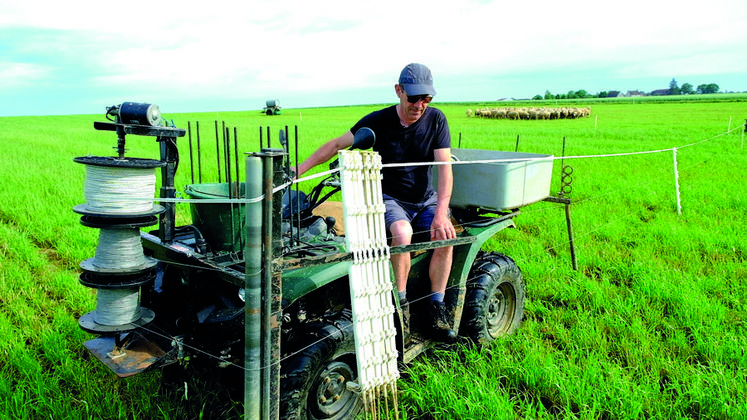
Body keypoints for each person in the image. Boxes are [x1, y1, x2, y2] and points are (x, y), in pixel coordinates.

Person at [297, 63, 456, 342]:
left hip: (425, 199)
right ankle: (401, 303)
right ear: (399, 91)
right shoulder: (379, 121)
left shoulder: (437, 120)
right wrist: (299, 170)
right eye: (413, 98)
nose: (419, 105)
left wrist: (441, 214)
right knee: (402, 233)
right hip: (392, 198)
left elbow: (444, 168)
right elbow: (336, 145)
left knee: (444, 235)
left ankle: (436, 305)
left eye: (426, 99)